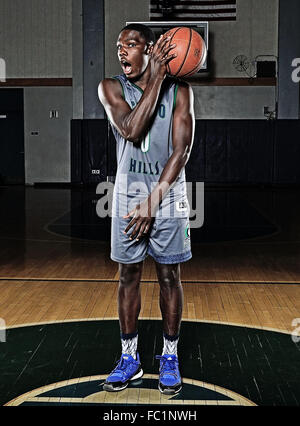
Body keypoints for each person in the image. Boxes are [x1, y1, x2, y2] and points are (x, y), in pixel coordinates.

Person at [98, 23, 195, 395]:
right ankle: (130, 358)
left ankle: (169, 356)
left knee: (170, 276)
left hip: (167, 195)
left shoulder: (181, 91)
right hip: (126, 194)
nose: (122, 51)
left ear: (150, 48)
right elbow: (131, 130)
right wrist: (155, 77)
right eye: (119, 45)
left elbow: (181, 151)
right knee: (128, 276)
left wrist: (152, 203)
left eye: (132, 44)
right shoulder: (110, 88)